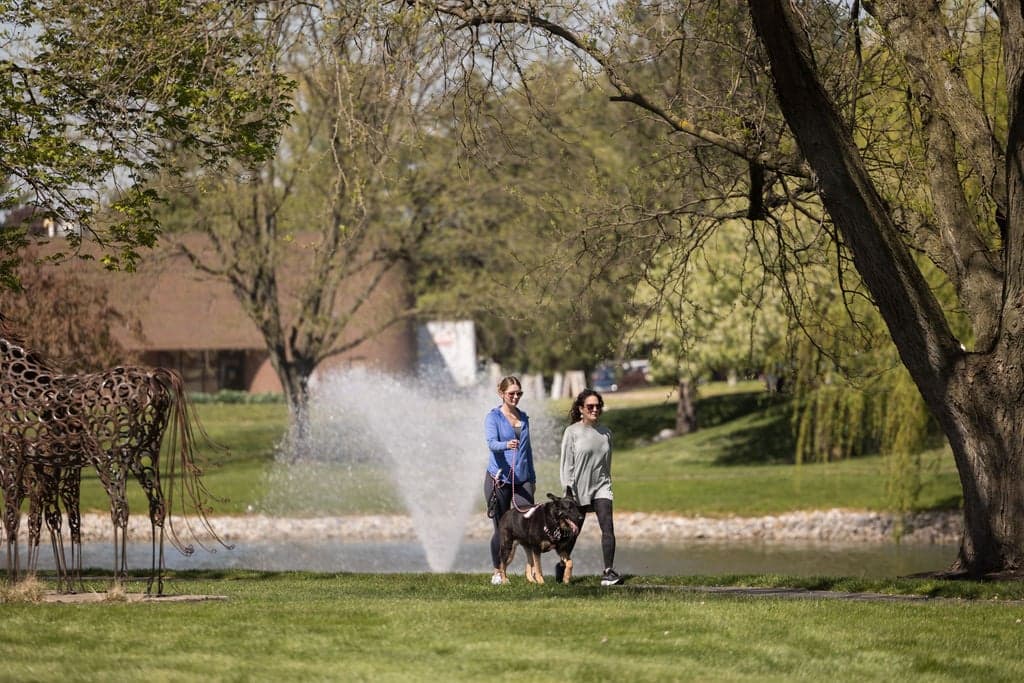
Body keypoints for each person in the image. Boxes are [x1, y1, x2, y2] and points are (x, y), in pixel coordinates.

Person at [559, 388, 622, 586]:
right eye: (590, 406)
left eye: (598, 406)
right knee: (573, 532)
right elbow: (566, 463)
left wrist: (607, 483)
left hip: (602, 486)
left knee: (608, 527)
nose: (595, 409)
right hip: (578, 489)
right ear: (581, 409)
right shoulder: (572, 432)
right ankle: (563, 566)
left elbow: (607, 462)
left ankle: (608, 572)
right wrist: (568, 490)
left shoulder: (606, 433)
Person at [484, 375, 536, 585]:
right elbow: (491, 443)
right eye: (511, 393)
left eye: (518, 393)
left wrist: (531, 477)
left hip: (522, 481)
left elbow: (527, 451)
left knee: (527, 524)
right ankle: (498, 571)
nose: (515, 397)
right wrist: (507, 445)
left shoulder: (524, 418)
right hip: (499, 479)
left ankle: (532, 569)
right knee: (501, 528)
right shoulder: (493, 417)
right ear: (502, 394)